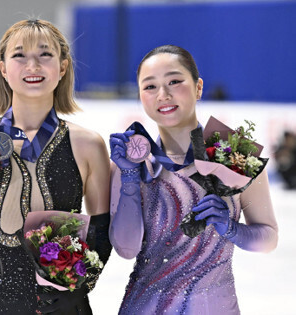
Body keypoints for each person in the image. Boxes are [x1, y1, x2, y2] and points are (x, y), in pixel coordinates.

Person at [0, 19, 112, 314]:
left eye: (45, 54)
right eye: (19, 55)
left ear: (62, 67)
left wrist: (81, 288)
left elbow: (101, 232)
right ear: (3, 68)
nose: (32, 65)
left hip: (62, 306)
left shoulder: (88, 144)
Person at [109, 45, 278, 314]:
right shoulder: (134, 161)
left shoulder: (233, 152)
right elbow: (126, 249)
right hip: (145, 306)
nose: (163, 95)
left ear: (198, 87)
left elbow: (268, 238)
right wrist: (129, 176)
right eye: (150, 86)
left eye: (175, 81)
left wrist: (232, 229)